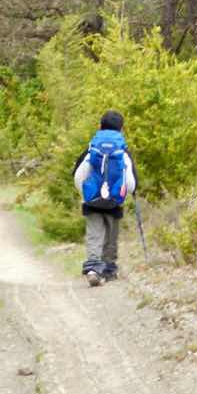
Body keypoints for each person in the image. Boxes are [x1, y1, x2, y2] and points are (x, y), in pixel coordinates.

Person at [72, 110, 137, 287]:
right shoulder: (122, 151)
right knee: (111, 236)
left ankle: (93, 268)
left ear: (100, 126)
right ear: (121, 129)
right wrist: (125, 194)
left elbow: (78, 175)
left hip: (92, 201)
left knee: (94, 234)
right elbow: (130, 182)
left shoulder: (92, 149)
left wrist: (85, 194)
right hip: (114, 202)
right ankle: (109, 269)